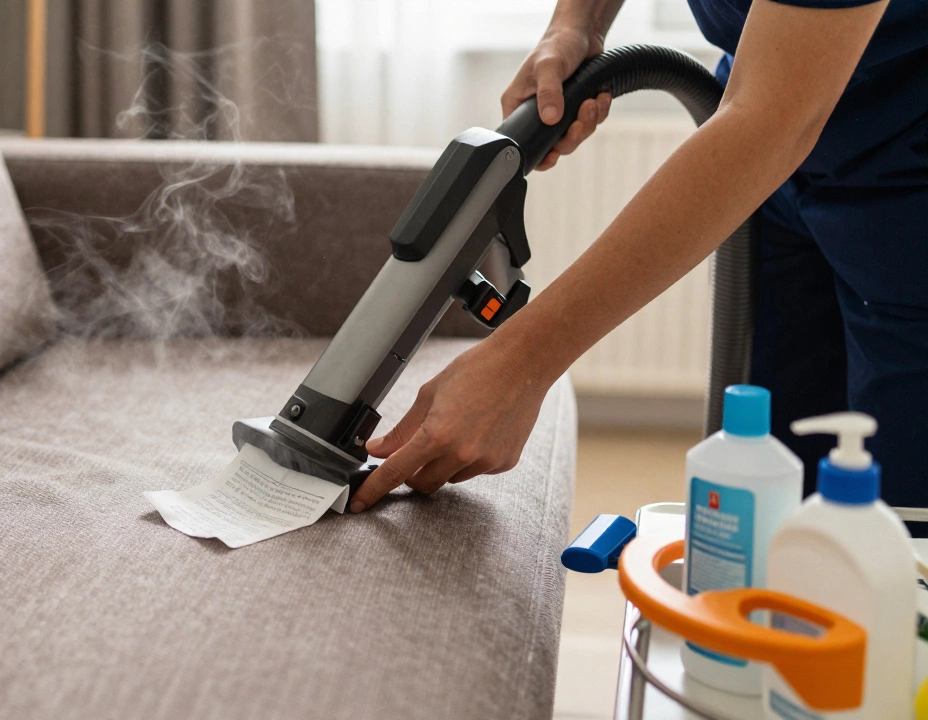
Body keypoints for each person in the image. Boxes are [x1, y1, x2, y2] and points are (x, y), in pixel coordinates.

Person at [349, 0, 928, 534]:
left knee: (902, 518)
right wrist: (577, 24)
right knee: (775, 477)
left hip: (898, 164)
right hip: (777, 153)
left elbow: (776, 119)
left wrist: (519, 363)